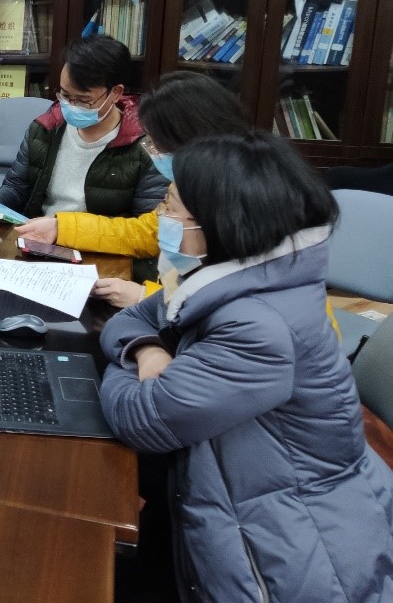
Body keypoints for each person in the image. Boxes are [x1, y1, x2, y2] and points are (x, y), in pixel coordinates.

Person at [99, 132, 393, 602]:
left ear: (219, 224)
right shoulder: (224, 277)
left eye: (170, 206)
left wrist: (131, 366)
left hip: (280, 555)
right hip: (220, 490)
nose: (159, 216)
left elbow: (141, 417)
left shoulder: (259, 327)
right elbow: (130, 320)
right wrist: (148, 353)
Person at [14, 71, 251, 306]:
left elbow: (232, 304)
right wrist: (61, 227)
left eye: (160, 145)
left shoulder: (242, 202)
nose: (155, 154)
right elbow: (146, 232)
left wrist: (145, 297)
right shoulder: (200, 181)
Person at [0, 34, 166, 219]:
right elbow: (16, 188)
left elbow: (145, 226)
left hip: (97, 238)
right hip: (39, 233)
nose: (71, 106)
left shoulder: (148, 147)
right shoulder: (45, 129)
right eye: (65, 95)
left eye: (83, 100)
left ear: (116, 93)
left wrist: (66, 229)